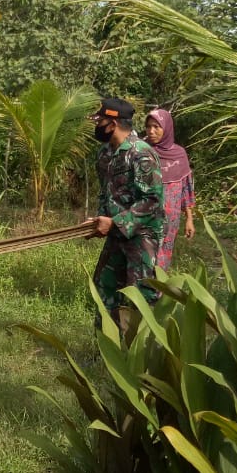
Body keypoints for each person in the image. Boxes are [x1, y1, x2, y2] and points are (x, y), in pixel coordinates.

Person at [83, 97, 165, 322]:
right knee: (105, 287)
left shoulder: (141, 153)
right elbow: (106, 191)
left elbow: (152, 200)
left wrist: (116, 222)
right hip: (116, 232)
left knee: (142, 294)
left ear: (113, 123)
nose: (96, 126)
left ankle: (145, 352)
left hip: (142, 234)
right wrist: (100, 220)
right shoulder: (104, 154)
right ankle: (107, 349)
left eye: (100, 121)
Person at [144, 108, 196, 272]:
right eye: (148, 126)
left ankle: (157, 293)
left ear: (166, 128)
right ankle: (138, 293)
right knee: (143, 255)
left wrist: (189, 218)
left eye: (156, 127)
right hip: (144, 215)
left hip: (170, 219)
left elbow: (185, 189)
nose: (151, 131)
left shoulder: (179, 154)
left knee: (163, 255)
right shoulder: (141, 150)